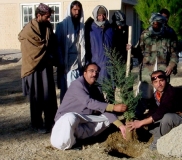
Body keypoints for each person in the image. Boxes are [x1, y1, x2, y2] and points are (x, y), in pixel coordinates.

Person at [50, 62, 127, 150]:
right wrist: (113, 107)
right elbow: (89, 102)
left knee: (107, 120)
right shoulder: (77, 84)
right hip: (65, 120)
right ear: (85, 73)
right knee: (71, 118)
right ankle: (64, 144)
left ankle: (79, 139)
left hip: (82, 120)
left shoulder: (95, 88)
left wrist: (120, 125)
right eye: (92, 71)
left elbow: (102, 107)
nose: (95, 74)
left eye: (97, 72)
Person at [18, 3, 58, 133]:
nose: (49, 19)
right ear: (38, 15)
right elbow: (30, 50)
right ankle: (36, 124)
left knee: (49, 96)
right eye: (47, 17)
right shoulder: (28, 30)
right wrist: (45, 52)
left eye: (49, 17)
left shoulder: (48, 27)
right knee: (36, 97)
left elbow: (51, 44)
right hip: (34, 68)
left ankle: (50, 121)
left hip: (45, 67)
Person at [126, 70, 182, 150]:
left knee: (167, 117)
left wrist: (141, 123)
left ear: (166, 80)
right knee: (150, 121)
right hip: (167, 116)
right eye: (155, 82)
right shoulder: (156, 95)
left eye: (161, 81)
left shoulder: (171, 92)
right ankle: (160, 132)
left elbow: (160, 112)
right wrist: (143, 120)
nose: (159, 84)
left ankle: (158, 140)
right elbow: (153, 110)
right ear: (152, 84)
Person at [128, 13, 178, 99]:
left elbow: (174, 53)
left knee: (161, 98)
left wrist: (171, 66)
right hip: (147, 72)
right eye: (153, 23)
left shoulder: (169, 35)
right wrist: (131, 49)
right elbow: (139, 51)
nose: (155, 25)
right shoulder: (145, 34)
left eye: (158, 23)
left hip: (162, 70)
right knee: (144, 97)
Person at [55, 1, 86, 103]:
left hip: (79, 63)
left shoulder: (82, 27)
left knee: (79, 91)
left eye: (78, 10)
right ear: (70, 10)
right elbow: (58, 47)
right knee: (66, 92)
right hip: (66, 65)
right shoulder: (61, 26)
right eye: (74, 10)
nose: (76, 12)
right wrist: (62, 64)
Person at [85, 5, 114, 82]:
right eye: (99, 15)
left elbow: (116, 46)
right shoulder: (90, 29)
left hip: (109, 66)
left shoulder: (110, 29)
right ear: (95, 16)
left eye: (104, 15)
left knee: (109, 91)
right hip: (95, 65)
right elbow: (86, 48)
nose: (102, 17)